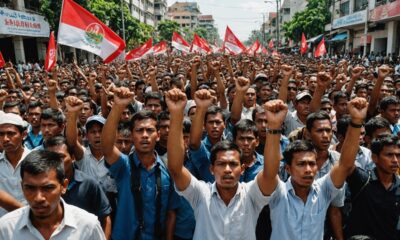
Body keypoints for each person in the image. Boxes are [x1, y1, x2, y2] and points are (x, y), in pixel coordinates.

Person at [166, 88, 271, 239]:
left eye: (233, 164)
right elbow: (176, 168)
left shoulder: (250, 195)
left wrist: (273, 128)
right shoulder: (201, 194)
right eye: (221, 164)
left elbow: (270, 173)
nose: (227, 170)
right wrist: (176, 115)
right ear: (212, 168)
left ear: (242, 169)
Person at [267, 97, 367, 239]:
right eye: (301, 164)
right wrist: (273, 126)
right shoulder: (278, 193)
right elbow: (269, 172)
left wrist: (356, 121)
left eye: (312, 164)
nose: (308, 170)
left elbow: (345, 164)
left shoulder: (323, 191)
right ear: (288, 169)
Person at [101, 87, 179, 240]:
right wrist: (118, 107)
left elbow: (171, 212)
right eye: (139, 130)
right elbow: (107, 147)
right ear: (132, 135)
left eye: (149, 130)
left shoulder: (168, 168)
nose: (144, 135)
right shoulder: (123, 166)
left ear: (158, 136)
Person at [0, 150, 106, 239]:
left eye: (48, 188)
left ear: (64, 186)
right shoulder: (6, 228)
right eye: (30, 188)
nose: (38, 198)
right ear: (22, 187)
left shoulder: (87, 226)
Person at [45, 136, 112, 239]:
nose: (56, 162)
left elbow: (105, 218)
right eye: (51, 158)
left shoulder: (89, 184)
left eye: (61, 157)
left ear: (72, 158)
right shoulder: (42, 187)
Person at [345, 135, 400, 240]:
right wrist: (356, 123)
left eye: (398, 155)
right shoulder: (362, 180)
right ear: (375, 157)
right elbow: (346, 163)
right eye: (389, 155)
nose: (395, 160)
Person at [0, 111, 31, 216]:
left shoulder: (35, 159)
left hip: (32, 223)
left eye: (11, 133)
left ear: (24, 134)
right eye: (1, 134)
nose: (5, 139)